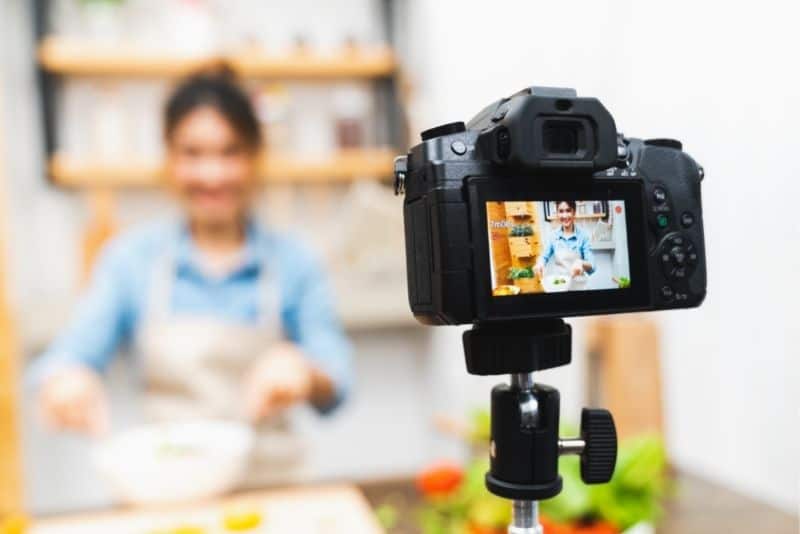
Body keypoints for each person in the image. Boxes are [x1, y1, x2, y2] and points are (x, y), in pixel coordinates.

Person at [33, 67, 352, 482]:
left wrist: (307, 372)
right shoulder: (130, 259)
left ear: (255, 156)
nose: (212, 175)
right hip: (167, 491)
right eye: (193, 153)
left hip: (276, 490)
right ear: (169, 157)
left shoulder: (295, 260)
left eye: (230, 152)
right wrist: (65, 379)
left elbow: (338, 379)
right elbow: (71, 354)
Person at [534, 201, 595, 284]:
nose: (565, 215)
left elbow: (592, 265)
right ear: (557, 214)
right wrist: (540, 263)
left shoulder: (583, 236)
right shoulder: (553, 236)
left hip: (579, 285)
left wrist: (581, 263)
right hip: (560, 284)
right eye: (561, 211)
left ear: (574, 213)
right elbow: (544, 256)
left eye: (568, 210)